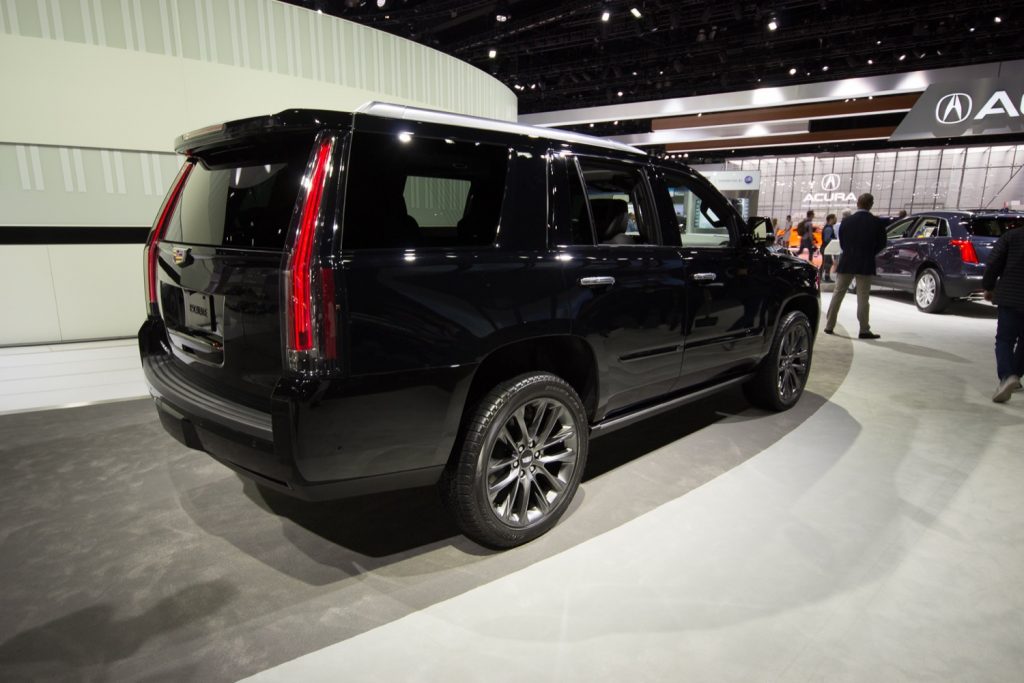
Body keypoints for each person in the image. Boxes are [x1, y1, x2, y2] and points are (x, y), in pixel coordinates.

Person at [823, 193, 887, 339]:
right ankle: (864, 329)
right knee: (863, 297)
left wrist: (849, 253)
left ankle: (829, 326)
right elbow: (882, 243)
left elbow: (843, 242)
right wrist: (870, 253)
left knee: (838, 293)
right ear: (871, 205)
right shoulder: (876, 222)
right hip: (866, 263)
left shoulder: (846, 221)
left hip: (847, 262)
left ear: (858, 203)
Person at [982, 224, 1024, 402]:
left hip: (1011, 296)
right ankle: (1014, 375)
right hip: (1012, 295)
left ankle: (1007, 376)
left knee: (1005, 339)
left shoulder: (1011, 236)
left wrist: (988, 286)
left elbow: (993, 262)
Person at [819, 213, 837, 282]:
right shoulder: (829, 228)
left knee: (826, 262)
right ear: (831, 219)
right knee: (827, 263)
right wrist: (835, 240)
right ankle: (826, 277)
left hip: (825, 248)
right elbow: (827, 239)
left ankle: (821, 277)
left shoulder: (828, 227)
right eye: (835, 218)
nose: (836, 220)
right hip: (826, 248)